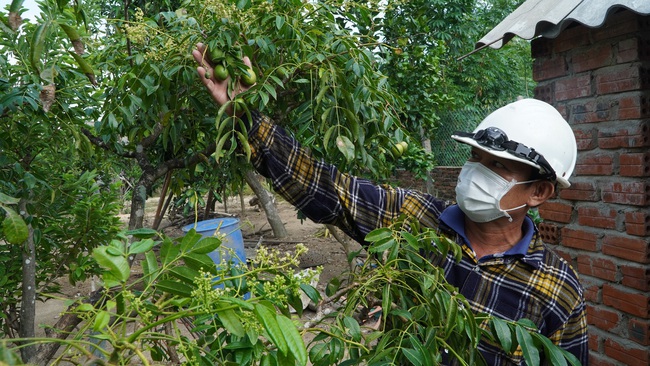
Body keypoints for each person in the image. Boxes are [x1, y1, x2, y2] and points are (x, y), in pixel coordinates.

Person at [192, 44, 588, 365]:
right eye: (475, 158)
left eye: (498, 166)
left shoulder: (557, 291)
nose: (476, 173)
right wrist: (244, 115)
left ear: (539, 193)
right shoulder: (414, 217)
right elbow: (327, 187)